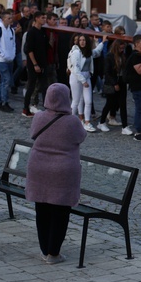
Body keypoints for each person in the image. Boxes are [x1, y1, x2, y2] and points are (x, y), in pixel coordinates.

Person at [25, 83, 86, 265]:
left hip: (38, 168)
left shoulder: (39, 117)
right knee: (60, 211)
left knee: (42, 210)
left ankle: (45, 250)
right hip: (62, 171)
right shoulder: (72, 121)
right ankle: (54, 253)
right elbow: (81, 137)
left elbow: (32, 134)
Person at [68, 34, 104, 131]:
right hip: (77, 78)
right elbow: (76, 69)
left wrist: (101, 42)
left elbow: (96, 52)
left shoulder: (88, 52)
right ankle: (69, 121)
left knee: (88, 101)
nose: (82, 42)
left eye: (84, 40)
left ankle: (86, 122)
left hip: (86, 76)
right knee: (76, 100)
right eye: (80, 40)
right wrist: (83, 81)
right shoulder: (76, 52)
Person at [22, 12, 49, 118]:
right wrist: (35, 64)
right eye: (43, 17)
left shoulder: (42, 32)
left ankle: (47, 109)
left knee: (44, 86)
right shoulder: (31, 32)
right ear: (36, 18)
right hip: (34, 64)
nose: (44, 19)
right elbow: (29, 50)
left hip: (43, 63)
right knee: (31, 86)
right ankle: (25, 108)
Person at [0, 10, 16, 113]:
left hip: (10, 59)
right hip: (1, 60)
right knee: (7, 80)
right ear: (3, 19)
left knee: (4, 81)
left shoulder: (11, 30)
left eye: (11, 18)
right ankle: (4, 102)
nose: (11, 20)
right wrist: (4, 55)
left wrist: (12, 54)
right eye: (8, 18)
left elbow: (13, 43)